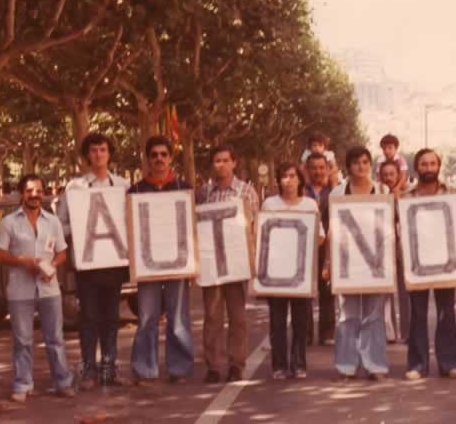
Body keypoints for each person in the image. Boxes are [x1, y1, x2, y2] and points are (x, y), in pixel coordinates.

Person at [56, 133, 130, 390]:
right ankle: (89, 368)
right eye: (94, 150)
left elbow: (130, 223)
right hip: (86, 265)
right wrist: (78, 228)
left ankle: (109, 368)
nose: (98, 155)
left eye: (103, 150)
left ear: (110, 154)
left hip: (114, 263)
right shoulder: (74, 188)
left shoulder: (122, 186)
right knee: (88, 317)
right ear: (87, 155)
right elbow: (61, 226)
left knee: (111, 317)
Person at [0, 174, 74, 402]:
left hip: (49, 290)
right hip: (20, 290)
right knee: (22, 339)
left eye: (39, 190)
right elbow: (0, 254)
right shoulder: (8, 222)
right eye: (30, 190)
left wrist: (51, 266)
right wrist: (23, 261)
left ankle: (62, 382)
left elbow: (61, 253)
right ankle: (22, 384)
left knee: (56, 338)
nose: (35, 195)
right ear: (22, 193)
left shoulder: (53, 221)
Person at [129, 136, 194, 385]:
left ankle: (179, 369)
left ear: (170, 158)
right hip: (148, 266)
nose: (159, 159)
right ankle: (145, 368)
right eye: (154, 154)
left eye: (163, 154)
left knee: (178, 318)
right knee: (147, 317)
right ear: (148, 158)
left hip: (178, 263)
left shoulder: (184, 188)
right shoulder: (135, 191)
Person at [195, 145, 259, 383]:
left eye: (225, 160)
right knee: (212, 316)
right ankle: (213, 365)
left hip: (236, 262)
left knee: (237, 316)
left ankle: (236, 364)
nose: (220, 164)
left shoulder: (247, 192)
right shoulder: (204, 193)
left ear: (234, 163)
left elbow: (253, 228)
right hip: (212, 263)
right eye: (216, 160)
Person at [328, 146, 390, 380]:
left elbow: (389, 230)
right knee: (347, 314)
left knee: (374, 315)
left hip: (376, 262)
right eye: (356, 163)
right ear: (348, 166)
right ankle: (347, 365)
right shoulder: (337, 193)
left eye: (365, 162)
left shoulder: (383, 190)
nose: (361, 167)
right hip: (347, 262)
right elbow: (333, 231)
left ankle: (375, 365)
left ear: (370, 165)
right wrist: (328, 264)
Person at [404, 148, 456, 380]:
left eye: (432, 164)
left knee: (446, 312)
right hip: (416, 264)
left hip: (445, 262)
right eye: (423, 164)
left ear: (438, 167)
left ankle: (450, 363)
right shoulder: (406, 197)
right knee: (418, 315)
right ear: (416, 167)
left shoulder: (453, 193)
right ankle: (417, 365)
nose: (428, 168)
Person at [262, 162, 325, 379]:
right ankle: (279, 365)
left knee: (300, 320)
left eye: (292, 175)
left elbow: (320, 236)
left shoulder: (309, 205)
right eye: (284, 176)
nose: (288, 180)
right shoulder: (269, 204)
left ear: (300, 179)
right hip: (275, 272)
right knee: (277, 321)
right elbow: (262, 235)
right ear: (278, 180)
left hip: (301, 272)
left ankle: (299, 364)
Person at [304, 152, 336, 346]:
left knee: (327, 290)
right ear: (307, 170)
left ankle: (327, 333)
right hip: (305, 245)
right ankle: (305, 333)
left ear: (327, 169)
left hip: (328, 245)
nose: (318, 171)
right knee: (306, 292)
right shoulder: (301, 192)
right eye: (314, 168)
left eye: (321, 167)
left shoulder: (335, 192)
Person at [378, 161, 410, 343]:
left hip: (402, 247)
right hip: (383, 248)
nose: (388, 178)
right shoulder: (376, 196)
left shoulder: (407, 195)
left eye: (392, 174)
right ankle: (389, 331)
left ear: (398, 176)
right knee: (385, 292)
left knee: (406, 292)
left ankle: (407, 332)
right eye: (385, 175)